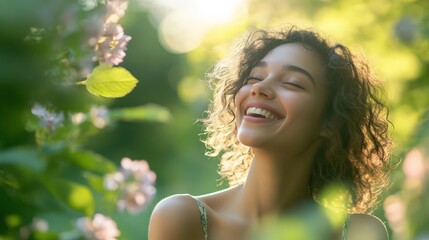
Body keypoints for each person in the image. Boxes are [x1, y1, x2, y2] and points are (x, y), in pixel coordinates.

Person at [148, 26, 392, 240]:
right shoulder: (182, 217)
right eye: (255, 77)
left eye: (292, 83)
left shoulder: (358, 233)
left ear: (330, 121)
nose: (260, 88)